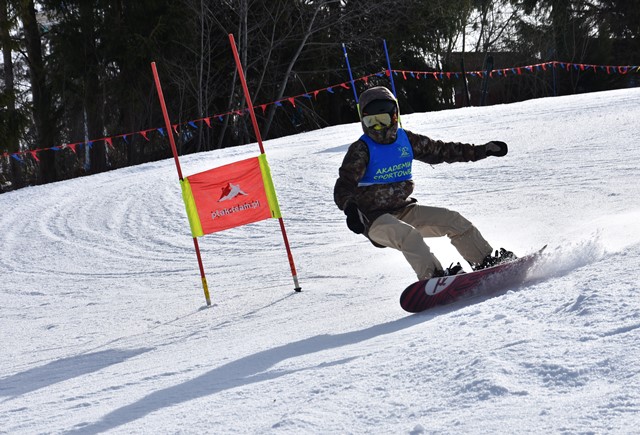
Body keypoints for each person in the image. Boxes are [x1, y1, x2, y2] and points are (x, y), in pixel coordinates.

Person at [333, 86, 514, 281]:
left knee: (454, 221)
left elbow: (442, 151)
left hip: (404, 210)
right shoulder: (361, 150)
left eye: (382, 120)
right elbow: (344, 184)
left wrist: (482, 151)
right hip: (373, 219)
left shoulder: (407, 141)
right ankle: (433, 277)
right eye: (371, 122)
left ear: (394, 116)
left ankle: (485, 261)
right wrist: (351, 209)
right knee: (409, 235)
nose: (378, 128)